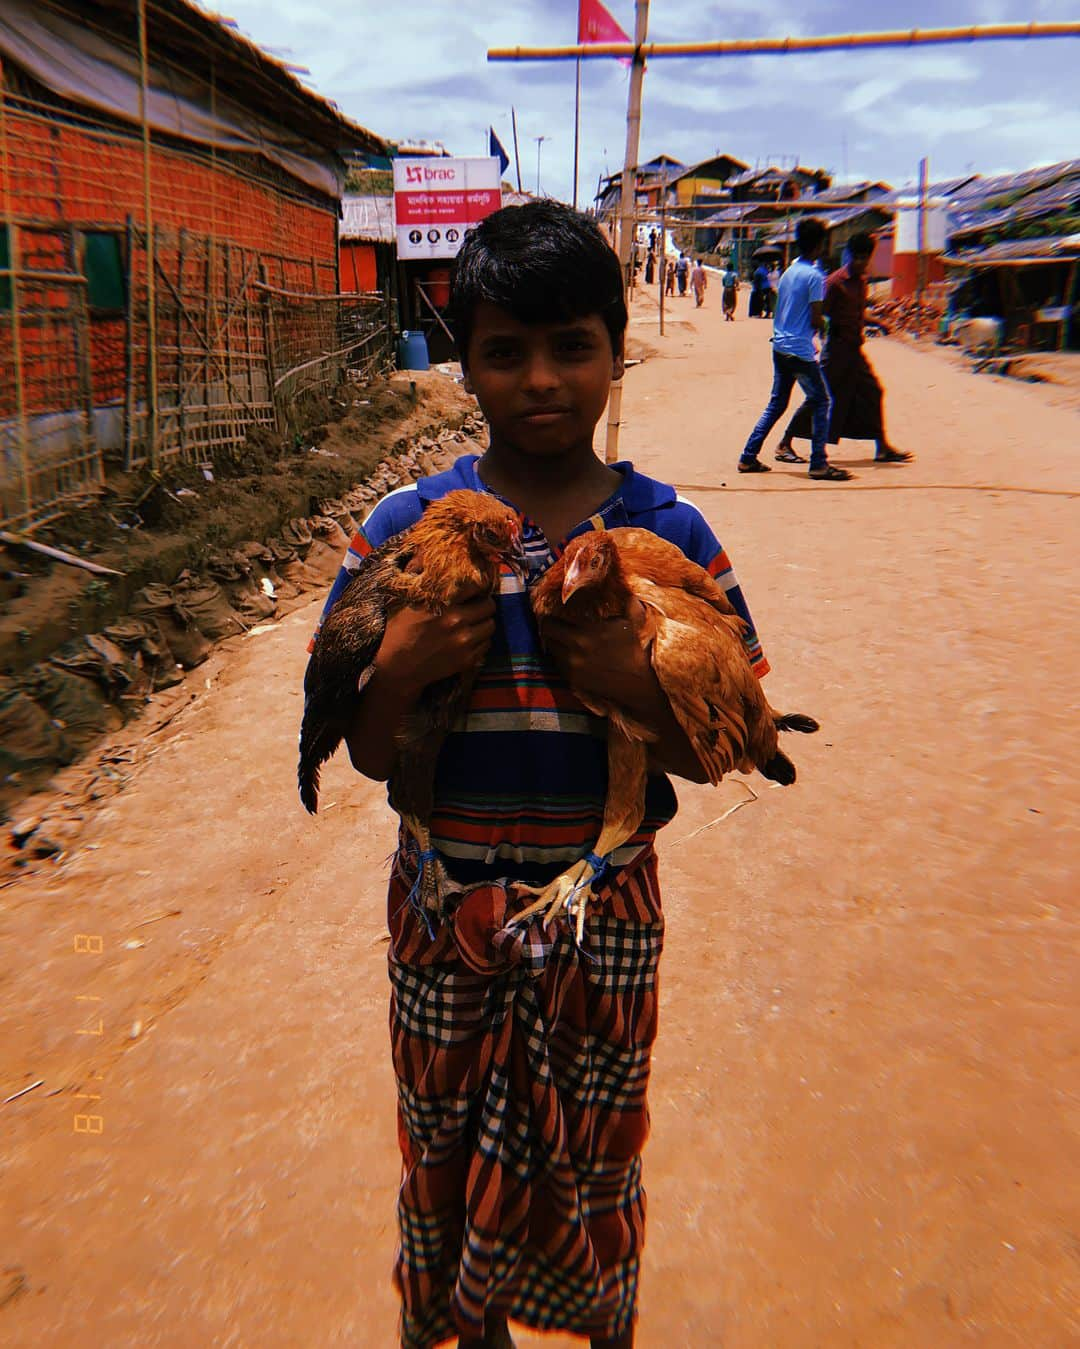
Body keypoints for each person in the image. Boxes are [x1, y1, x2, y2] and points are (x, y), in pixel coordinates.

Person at [308, 200, 771, 1349]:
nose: (542, 378)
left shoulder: (675, 534)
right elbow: (365, 752)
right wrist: (401, 670)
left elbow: (723, 749)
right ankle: (470, 1327)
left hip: (599, 915)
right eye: (505, 351)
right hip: (442, 907)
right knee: (444, 1151)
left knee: (596, 1157)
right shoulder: (403, 531)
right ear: (465, 363)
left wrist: (631, 671)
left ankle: (602, 1323)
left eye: (573, 345)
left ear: (617, 349)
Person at [775, 231, 913, 467]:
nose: (861, 262)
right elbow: (816, 312)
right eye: (857, 257)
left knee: (873, 392)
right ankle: (785, 442)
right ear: (849, 255)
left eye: (865, 257)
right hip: (836, 351)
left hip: (854, 351)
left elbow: (858, 313)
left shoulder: (861, 282)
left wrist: (880, 322)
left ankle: (882, 447)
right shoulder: (834, 282)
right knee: (818, 398)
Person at [737, 216, 852, 481]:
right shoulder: (814, 276)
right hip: (799, 350)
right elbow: (815, 317)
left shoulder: (789, 271)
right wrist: (825, 329)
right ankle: (819, 463)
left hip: (780, 346)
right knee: (822, 400)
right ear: (820, 245)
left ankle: (748, 456)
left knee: (776, 404)